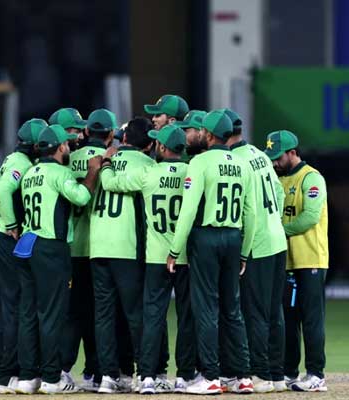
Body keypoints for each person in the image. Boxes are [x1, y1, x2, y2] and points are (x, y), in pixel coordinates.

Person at [99, 124, 196, 394]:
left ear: (163, 148)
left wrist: (107, 161)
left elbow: (108, 183)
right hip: (186, 255)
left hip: (156, 257)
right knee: (187, 317)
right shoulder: (192, 173)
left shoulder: (148, 173)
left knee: (153, 317)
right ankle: (185, 377)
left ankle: (147, 377)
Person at [167, 110, 256, 395]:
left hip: (206, 237)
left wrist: (174, 248)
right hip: (233, 237)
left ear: (208, 134)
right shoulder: (241, 164)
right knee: (233, 308)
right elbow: (250, 212)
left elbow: (189, 209)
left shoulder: (200, 161)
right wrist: (244, 251)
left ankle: (211, 376)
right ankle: (243, 376)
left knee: (206, 308)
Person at [16, 124, 99, 394]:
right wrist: (92, 173)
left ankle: (29, 377)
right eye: (67, 144)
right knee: (52, 315)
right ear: (62, 147)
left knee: (30, 314)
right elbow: (82, 197)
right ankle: (52, 378)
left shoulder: (30, 173)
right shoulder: (59, 172)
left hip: (27, 244)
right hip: (51, 246)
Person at [89, 113, 155, 393]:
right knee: (135, 314)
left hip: (97, 244)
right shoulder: (148, 164)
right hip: (127, 247)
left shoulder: (108, 158)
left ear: (124, 138)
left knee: (103, 315)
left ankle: (107, 376)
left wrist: (105, 162)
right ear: (150, 144)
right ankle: (143, 374)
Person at [225, 109, 288, 393]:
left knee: (256, 313)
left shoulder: (234, 161)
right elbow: (279, 191)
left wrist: (243, 249)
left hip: (258, 246)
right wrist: (271, 219)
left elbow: (245, 210)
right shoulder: (258, 154)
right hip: (277, 240)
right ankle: (277, 373)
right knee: (275, 311)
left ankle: (261, 374)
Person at [0, 118, 46, 394]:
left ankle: (7, 374)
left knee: (10, 310)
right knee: (16, 310)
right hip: (10, 242)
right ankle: (9, 375)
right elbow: (0, 190)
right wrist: (10, 225)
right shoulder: (21, 164)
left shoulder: (11, 159)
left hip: (1, 239)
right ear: (33, 145)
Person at [265, 130, 329, 392]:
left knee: (311, 319)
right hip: (287, 261)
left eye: (277, 156)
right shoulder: (276, 179)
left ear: (292, 152)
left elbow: (310, 217)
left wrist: (279, 230)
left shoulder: (311, 177)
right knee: (288, 320)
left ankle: (316, 374)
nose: (274, 161)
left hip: (310, 259)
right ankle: (289, 372)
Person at [59, 107, 112, 392]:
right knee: (100, 313)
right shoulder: (112, 159)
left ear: (88, 132)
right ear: (111, 134)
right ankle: (96, 372)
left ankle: (64, 369)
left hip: (72, 246)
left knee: (74, 313)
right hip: (104, 248)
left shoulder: (67, 160)